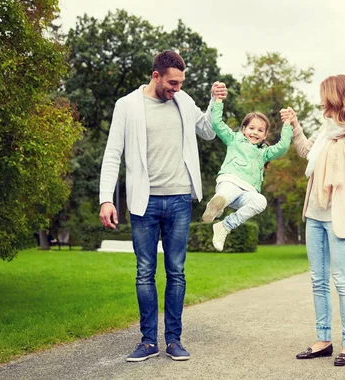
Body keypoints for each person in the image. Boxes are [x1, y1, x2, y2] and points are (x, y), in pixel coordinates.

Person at [99, 50, 227, 362]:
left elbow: (208, 131)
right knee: (145, 272)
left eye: (181, 83)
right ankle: (147, 341)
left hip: (181, 198)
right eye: (172, 82)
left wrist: (216, 102)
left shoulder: (183, 100)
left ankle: (173, 340)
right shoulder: (128, 105)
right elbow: (113, 152)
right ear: (156, 76)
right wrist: (106, 198)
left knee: (177, 272)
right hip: (145, 201)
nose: (177, 88)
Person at [280, 74, 345, 367]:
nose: (321, 101)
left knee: (342, 280)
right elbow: (305, 151)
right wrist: (296, 126)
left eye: (325, 95)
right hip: (314, 214)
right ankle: (323, 340)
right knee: (318, 281)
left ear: (337, 98)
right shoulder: (325, 132)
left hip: (342, 217)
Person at [201, 94, 293, 251]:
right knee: (227, 192)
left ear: (265, 135)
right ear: (244, 129)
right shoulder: (233, 139)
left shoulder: (265, 153)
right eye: (251, 128)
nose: (255, 133)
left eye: (260, 130)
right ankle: (218, 204)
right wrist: (218, 101)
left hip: (246, 192)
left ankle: (224, 225)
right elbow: (216, 123)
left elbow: (283, 146)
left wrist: (287, 124)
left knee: (261, 201)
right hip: (230, 180)